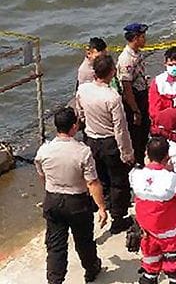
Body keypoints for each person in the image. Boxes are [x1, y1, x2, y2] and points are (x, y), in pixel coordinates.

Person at [36, 107, 105, 284]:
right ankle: (91, 269)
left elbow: (42, 176)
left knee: (55, 246)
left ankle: (55, 280)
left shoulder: (44, 151)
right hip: (77, 202)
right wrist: (102, 207)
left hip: (53, 199)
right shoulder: (83, 151)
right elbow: (92, 183)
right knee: (84, 241)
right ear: (74, 127)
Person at [75, 54, 133, 234]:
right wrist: (127, 152)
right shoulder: (112, 97)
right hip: (110, 141)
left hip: (91, 139)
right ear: (112, 72)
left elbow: (80, 113)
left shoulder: (83, 90)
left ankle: (101, 206)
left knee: (98, 177)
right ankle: (118, 218)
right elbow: (120, 128)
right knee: (118, 181)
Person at [129, 136, 176, 284]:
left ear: (147, 154)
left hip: (147, 231)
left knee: (150, 266)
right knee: (174, 269)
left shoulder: (136, 175)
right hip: (169, 232)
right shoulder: (171, 179)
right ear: (167, 157)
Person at [116, 22, 149, 167]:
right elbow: (127, 87)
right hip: (135, 99)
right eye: (142, 37)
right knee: (137, 136)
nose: (145, 39)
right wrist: (135, 110)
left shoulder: (136, 53)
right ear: (135, 38)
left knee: (144, 133)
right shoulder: (126, 59)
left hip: (141, 93)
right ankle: (137, 165)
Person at [148, 47, 176, 131]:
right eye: (170, 65)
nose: (173, 67)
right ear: (165, 64)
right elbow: (154, 109)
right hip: (165, 125)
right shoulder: (159, 82)